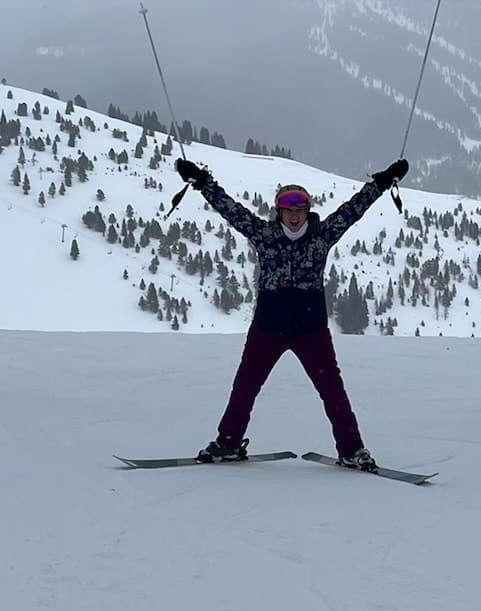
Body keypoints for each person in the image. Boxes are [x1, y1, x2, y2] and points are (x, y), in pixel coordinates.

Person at [173, 156, 408, 468]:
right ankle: (228, 443)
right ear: (279, 211)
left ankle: (352, 450)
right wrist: (202, 182)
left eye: (300, 210)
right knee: (244, 388)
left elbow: (354, 210)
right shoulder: (263, 233)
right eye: (288, 210)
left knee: (332, 392)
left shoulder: (323, 234)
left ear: (307, 211)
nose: (294, 216)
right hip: (268, 328)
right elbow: (230, 210)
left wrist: (381, 182)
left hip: (310, 330)